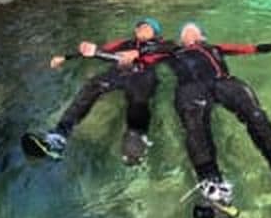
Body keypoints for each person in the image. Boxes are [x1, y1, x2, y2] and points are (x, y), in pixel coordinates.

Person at [165, 22, 271, 218]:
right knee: (194, 127)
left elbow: (254, 49)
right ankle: (214, 189)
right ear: (181, 39)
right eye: (185, 32)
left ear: (202, 36)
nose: (189, 34)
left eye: (193, 31)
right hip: (190, 88)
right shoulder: (171, 53)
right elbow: (141, 57)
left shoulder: (216, 48)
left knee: (255, 114)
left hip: (223, 82)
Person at [22, 17, 172, 165]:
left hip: (142, 75)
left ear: (155, 33)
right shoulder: (124, 43)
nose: (141, 29)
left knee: (138, 98)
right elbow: (96, 51)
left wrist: (139, 53)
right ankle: (58, 137)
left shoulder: (161, 44)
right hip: (118, 74)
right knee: (92, 85)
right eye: (139, 27)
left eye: (147, 28)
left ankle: (136, 137)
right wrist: (65, 57)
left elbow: (171, 48)